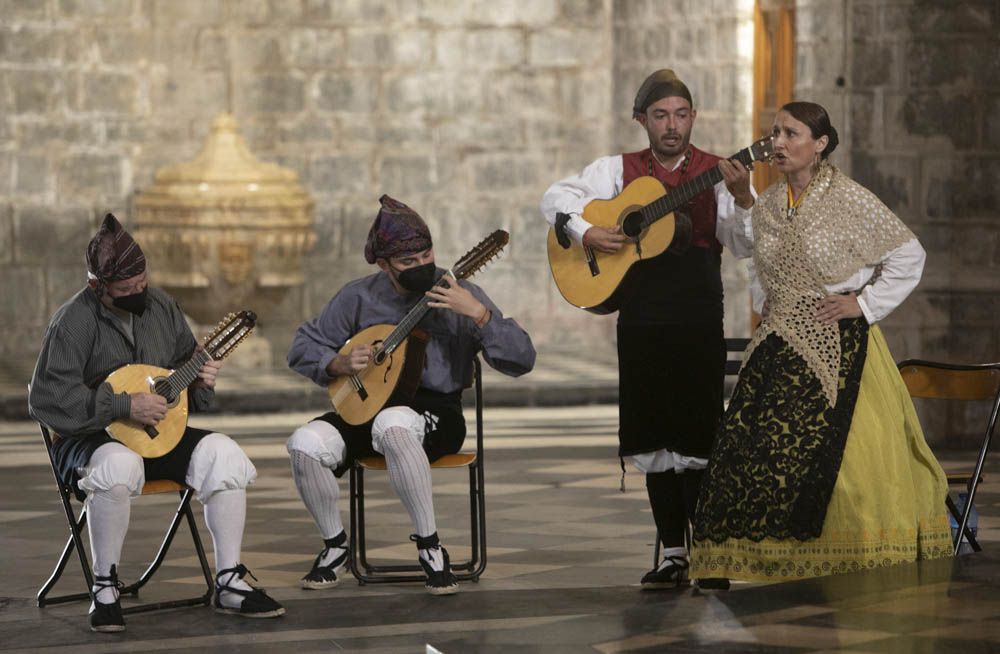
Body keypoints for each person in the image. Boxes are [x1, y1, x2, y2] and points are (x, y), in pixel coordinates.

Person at [690, 101, 952, 584]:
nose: (778, 143)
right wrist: (745, 204)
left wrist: (864, 306)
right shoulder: (770, 202)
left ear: (820, 144)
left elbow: (909, 255)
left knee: (844, 466)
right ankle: (756, 563)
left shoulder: (849, 199)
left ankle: (844, 563)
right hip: (778, 342)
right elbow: (757, 256)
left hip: (839, 343)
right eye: (775, 133)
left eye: (791, 133)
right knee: (751, 450)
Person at [539, 69, 756, 589]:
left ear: (693, 118)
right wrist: (587, 229)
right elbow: (554, 198)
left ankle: (710, 553)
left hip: (697, 313)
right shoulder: (617, 170)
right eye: (661, 115)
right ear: (643, 120)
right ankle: (673, 554)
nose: (672, 125)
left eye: (681, 114)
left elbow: (746, 245)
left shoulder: (717, 172)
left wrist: (746, 197)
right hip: (641, 317)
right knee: (654, 430)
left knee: (699, 431)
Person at [28, 214, 284, 633]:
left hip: (158, 435)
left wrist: (200, 380)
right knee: (117, 466)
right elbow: (47, 398)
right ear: (98, 286)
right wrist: (122, 405)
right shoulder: (72, 322)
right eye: (126, 290)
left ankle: (230, 581)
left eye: (142, 282)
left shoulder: (162, 306)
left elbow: (183, 379)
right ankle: (105, 588)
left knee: (225, 454)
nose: (138, 293)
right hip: (90, 439)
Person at [286, 195, 535, 595]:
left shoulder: (463, 292)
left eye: (426, 255)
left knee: (394, 424)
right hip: (365, 407)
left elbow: (522, 360)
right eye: (408, 262)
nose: (421, 266)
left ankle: (430, 546)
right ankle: (335, 547)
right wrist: (339, 363)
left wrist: (479, 315)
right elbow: (302, 347)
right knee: (303, 444)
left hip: (438, 414)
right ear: (384, 265)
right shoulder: (359, 296)